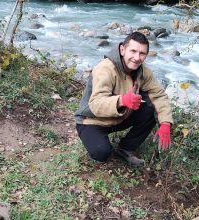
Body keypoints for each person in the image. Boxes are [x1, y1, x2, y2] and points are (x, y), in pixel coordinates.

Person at [74, 31, 173, 166]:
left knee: (151, 105)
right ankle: (97, 142)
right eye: (133, 51)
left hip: (119, 118)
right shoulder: (105, 68)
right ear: (122, 49)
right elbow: (96, 104)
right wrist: (122, 100)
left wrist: (166, 123)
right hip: (91, 121)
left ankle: (126, 148)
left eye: (142, 53)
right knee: (101, 153)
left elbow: (159, 95)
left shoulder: (143, 71)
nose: (137, 57)